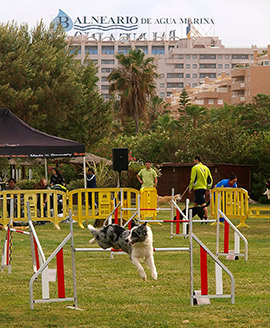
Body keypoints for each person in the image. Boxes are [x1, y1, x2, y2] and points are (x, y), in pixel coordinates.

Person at [188, 155, 213, 220]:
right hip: (204, 188)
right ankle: (190, 216)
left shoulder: (195, 168)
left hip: (197, 188)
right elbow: (210, 179)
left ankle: (206, 217)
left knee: (203, 204)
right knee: (196, 203)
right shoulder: (206, 168)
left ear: (196, 160)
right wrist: (208, 187)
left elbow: (193, 179)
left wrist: (190, 187)